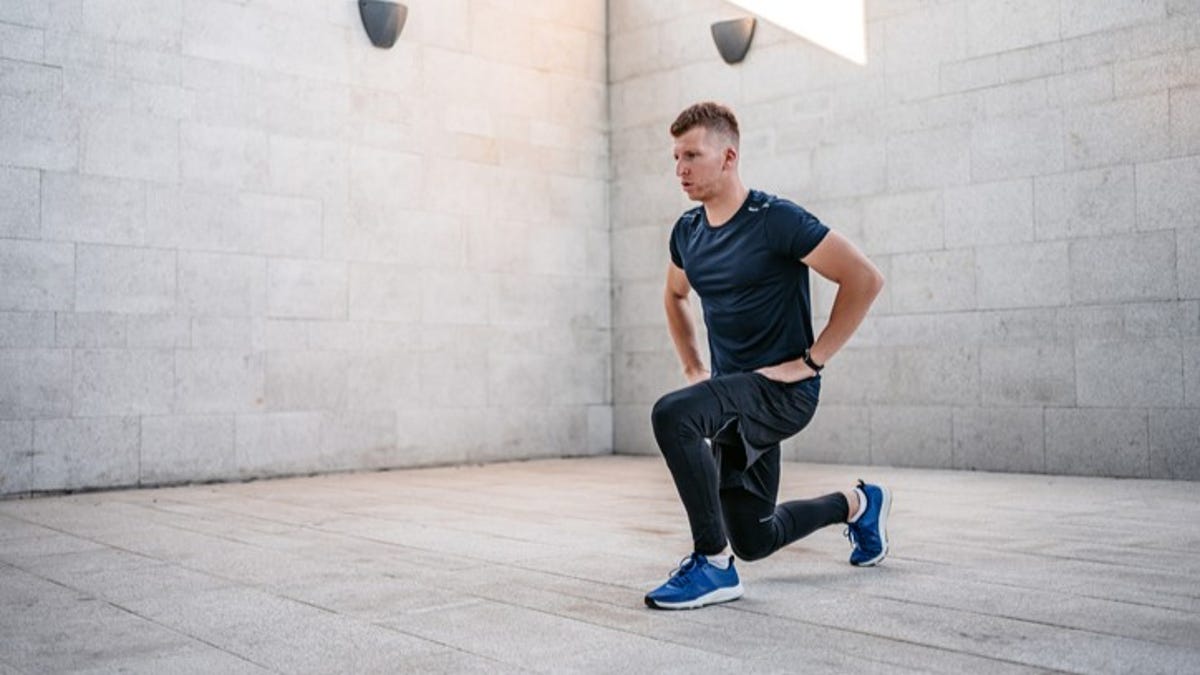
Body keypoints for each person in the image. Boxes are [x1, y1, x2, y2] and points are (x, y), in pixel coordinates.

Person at [645, 102, 889, 610]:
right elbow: (674, 296)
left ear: (729, 156)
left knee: (673, 415)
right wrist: (694, 368)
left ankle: (712, 566)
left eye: (692, 154)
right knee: (754, 539)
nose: (680, 169)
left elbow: (863, 278)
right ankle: (859, 505)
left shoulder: (775, 220)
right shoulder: (687, 233)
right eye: (675, 157)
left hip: (783, 392)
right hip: (735, 397)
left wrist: (814, 360)